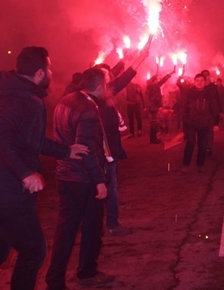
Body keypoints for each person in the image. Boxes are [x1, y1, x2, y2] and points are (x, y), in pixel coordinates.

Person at [0, 47, 89, 289]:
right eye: (49, 68)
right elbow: (0, 137)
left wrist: (67, 151)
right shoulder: (18, 98)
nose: (51, 72)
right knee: (34, 250)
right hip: (7, 192)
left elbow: (30, 140)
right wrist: (25, 173)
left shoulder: (16, 94)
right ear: (38, 73)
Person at [45, 68, 114, 288]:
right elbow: (86, 149)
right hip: (83, 178)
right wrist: (99, 181)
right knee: (92, 227)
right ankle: (87, 272)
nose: (109, 88)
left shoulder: (66, 100)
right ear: (100, 86)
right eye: (108, 84)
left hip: (65, 175)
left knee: (65, 230)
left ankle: (54, 279)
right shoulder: (88, 110)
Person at [94, 46, 150, 237]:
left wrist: (134, 58)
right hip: (103, 150)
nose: (108, 78)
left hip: (107, 148)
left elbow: (120, 77)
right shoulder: (95, 97)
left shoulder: (102, 92)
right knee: (109, 187)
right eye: (104, 76)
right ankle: (111, 223)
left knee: (106, 186)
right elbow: (123, 79)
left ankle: (102, 223)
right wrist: (138, 59)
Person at [177, 74, 220, 172]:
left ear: (205, 82)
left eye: (201, 81)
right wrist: (184, 118)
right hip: (191, 123)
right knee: (191, 142)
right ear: (194, 82)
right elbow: (182, 107)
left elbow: (215, 110)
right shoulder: (189, 93)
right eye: (197, 81)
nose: (199, 83)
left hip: (205, 124)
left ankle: (200, 164)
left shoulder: (209, 95)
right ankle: (186, 164)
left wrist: (216, 124)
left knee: (203, 145)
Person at [200, 69, 224, 157]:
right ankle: (203, 147)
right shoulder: (198, 87)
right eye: (204, 75)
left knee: (210, 132)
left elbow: (218, 99)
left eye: (207, 74)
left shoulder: (213, 87)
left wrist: (221, 111)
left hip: (211, 113)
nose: (206, 76)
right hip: (200, 114)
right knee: (202, 132)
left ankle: (209, 148)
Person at [146, 71, 174, 144]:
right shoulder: (154, 86)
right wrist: (169, 74)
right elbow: (162, 81)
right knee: (154, 123)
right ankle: (153, 139)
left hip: (152, 106)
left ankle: (154, 138)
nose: (158, 81)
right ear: (155, 80)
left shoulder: (150, 86)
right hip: (154, 106)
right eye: (157, 79)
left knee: (153, 123)